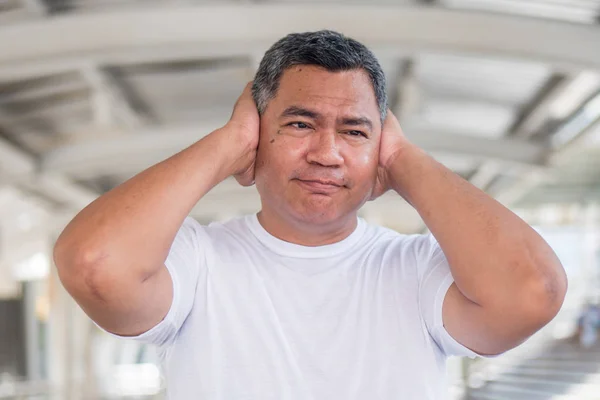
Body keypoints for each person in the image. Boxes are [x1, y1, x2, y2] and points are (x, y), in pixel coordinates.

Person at [53, 30, 567, 399]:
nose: (327, 153)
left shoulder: (419, 270)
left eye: (355, 131)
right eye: (300, 124)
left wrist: (404, 162)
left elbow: (532, 293)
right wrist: (228, 143)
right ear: (256, 133)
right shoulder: (194, 261)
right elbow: (96, 265)